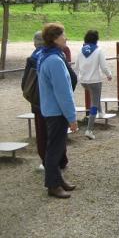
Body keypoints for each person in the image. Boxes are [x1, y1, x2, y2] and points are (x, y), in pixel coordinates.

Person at [21, 31, 77, 171]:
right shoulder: (56, 56)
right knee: (57, 137)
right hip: (56, 105)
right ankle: (61, 162)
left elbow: (24, 84)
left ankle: (46, 162)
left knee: (41, 133)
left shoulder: (33, 58)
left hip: (37, 104)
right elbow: (72, 78)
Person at [37, 23, 78, 199]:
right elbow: (63, 93)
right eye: (63, 35)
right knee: (54, 149)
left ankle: (58, 180)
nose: (66, 38)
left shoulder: (46, 55)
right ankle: (52, 185)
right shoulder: (54, 60)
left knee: (57, 147)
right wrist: (72, 117)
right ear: (55, 38)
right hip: (56, 111)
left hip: (51, 109)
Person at [75, 30, 112, 140]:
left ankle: (101, 112)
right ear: (96, 39)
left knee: (95, 96)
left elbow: (76, 67)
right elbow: (104, 66)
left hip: (84, 81)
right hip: (95, 80)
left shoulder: (80, 51)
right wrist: (109, 74)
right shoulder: (98, 50)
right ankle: (89, 129)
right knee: (94, 103)